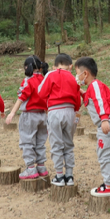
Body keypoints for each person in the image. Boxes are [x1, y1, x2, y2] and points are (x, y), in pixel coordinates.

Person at [75, 57, 110, 197]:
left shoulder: (95, 85)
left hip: (109, 124)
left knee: (104, 155)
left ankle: (109, 185)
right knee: (104, 154)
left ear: (85, 74)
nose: (76, 77)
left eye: (77, 73)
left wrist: (104, 119)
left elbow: (100, 102)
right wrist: (82, 93)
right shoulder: (92, 87)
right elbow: (91, 99)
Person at [37, 53, 81, 187]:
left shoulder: (51, 74)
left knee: (56, 144)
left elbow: (41, 93)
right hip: (71, 112)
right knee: (68, 144)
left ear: (55, 65)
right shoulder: (74, 78)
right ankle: (69, 175)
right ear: (70, 66)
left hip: (55, 111)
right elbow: (78, 100)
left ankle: (59, 176)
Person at [6, 56, 49, 180]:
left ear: (27, 67)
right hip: (43, 115)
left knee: (27, 141)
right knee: (40, 142)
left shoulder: (28, 80)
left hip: (29, 115)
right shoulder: (45, 79)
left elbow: (22, 97)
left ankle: (30, 168)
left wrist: (12, 113)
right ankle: (41, 166)